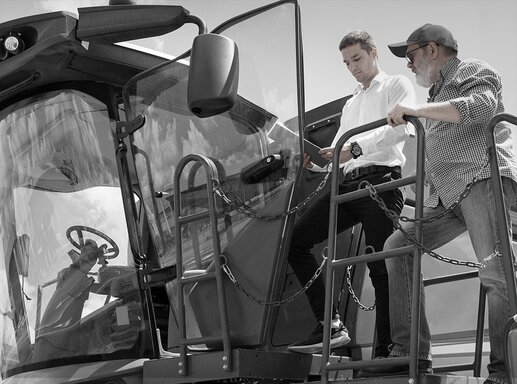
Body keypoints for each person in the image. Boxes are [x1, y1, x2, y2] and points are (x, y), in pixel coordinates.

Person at [362, 23, 517, 384]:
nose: (409, 65)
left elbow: (481, 108)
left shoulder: (471, 70)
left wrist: (417, 110)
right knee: (398, 245)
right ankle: (409, 352)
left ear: (433, 50)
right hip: (449, 196)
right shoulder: (434, 97)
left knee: (496, 274)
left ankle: (504, 371)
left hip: (480, 178)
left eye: (411, 55)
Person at [287, 30, 416, 356]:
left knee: (380, 269)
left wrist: (354, 147)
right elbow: (339, 155)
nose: (352, 67)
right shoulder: (351, 103)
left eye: (356, 59)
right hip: (346, 187)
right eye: (346, 62)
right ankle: (329, 323)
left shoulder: (396, 85)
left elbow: (399, 128)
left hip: (380, 186)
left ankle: (387, 352)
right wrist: (319, 168)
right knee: (296, 241)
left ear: (373, 53)